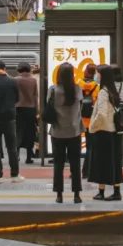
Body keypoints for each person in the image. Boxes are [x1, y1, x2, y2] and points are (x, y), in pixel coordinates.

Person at [48, 63, 84, 204]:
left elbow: (48, 106)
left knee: (58, 164)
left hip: (57, 132)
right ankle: (76, 194)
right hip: (74, 131)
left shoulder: (52, 90)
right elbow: (80, 106)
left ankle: (59, 195)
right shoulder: (77, 89)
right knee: (75, 163)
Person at [88, 64, 123, 201]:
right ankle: (116, 191)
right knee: (114, 162)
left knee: (101, 163)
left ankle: (102, 192)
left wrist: (93, 126)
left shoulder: (103, 92)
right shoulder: (112, 90)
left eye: (97, 73)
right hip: (113, 131)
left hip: (103, 131)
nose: (96, 76)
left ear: (101, 75)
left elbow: (101, 114)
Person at [14, 62, 39, 164]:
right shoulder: (33, 80)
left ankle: (16, 155)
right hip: (30, 109)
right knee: (30, 132)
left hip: (18, 109)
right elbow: (35, 96)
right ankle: (29, 157)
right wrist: (36, 110)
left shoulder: (15, 80)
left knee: (18, 132)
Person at [80, 64, 99, 179]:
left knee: (75, 146)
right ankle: (87, 171)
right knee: (90, 146)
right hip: (91, 120)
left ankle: (74, 172)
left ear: (85, 71)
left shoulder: (78, 85)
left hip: (78, 120)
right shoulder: (97, 87)